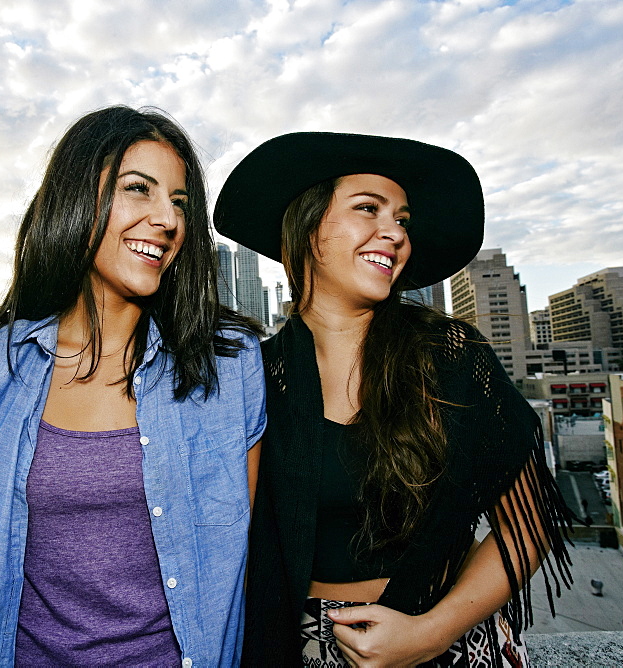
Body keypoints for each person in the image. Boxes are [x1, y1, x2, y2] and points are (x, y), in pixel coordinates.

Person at [0, 106, 265, 667]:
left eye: (180, 202)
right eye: (139, 190)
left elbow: (235, 565)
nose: (167, 220)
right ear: (78, 200)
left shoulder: (228, 367)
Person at [214, 132, 573, 667]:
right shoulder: (255, 377)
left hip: (446, 638)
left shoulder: (448, 357)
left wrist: (430, 632)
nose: (395, 234)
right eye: (368, 209)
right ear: (305, 229)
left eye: (402, 220)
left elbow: (529, 521)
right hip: (299, 647)